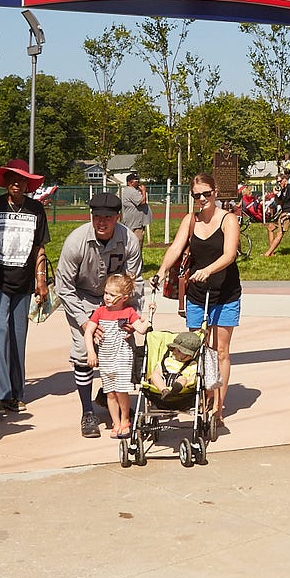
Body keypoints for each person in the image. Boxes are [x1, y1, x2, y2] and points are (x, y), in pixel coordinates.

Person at [155, 173, 241, 428]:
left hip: (225, 292)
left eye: (206, 194)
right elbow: (175, 248)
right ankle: (202, 397)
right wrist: (161, 271)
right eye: (196, 195)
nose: (202, 199)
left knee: (220, 350)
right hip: (196, 293)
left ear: (215, 193)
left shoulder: (228, 219)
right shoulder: (190, 221)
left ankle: (218, 406)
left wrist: (208, 270)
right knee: (196, 349)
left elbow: (230, 255)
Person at [0, 159, 50, 418]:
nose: (17, 183)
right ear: (4, 181)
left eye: (22, 179)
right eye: (12, 178)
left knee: (17, 338)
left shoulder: (36, 209)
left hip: (23, 284)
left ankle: (16, 393)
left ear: (28, 183)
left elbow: (40, 248)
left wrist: (41, 280)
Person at [56, 192, 143, 438]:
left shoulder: (129, 241)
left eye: (107, 217)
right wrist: (85, 322)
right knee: (85, 353)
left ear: (118, 217)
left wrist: (132, 317)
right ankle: (87, 412)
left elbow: (134, 281)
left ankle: (111, 396)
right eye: (96, 217)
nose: (101, 222)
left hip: (116, 298)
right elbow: (64, 287)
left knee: (123, 351)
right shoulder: (76, 242)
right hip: (82, 297)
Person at [83, 273, 148, 439]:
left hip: (123, 357)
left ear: (124, 297)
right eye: (106, 293)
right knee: (110, 392)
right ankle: (115, 422)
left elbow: (141, 329)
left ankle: (125, 419)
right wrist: (91, 351)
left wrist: (148, 317)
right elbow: (89, 331)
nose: (107, 297)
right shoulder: (100, 312)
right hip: (106, 358)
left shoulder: (128, 312)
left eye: (112, 295)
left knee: (121, 391)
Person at [149, 331, 203, 398]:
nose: (174, 351)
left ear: (189, 356)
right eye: (174, 349)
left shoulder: (192, 364)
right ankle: (165, 391)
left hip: (180, 387)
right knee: (154, 375)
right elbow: (158, 370)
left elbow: (193, 377)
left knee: (183, 379)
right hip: (163, 382)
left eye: (178, 351)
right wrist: (157, 373)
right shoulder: (168, 359)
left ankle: (174, 390)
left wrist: (188, 382)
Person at [262, 169, 290, 256]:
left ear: (284, 180)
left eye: (280, 181)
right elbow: (279, 203)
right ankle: (271, 252)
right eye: (277, 182)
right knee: (270, 228)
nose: (279, 183)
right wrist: (275, 194)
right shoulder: (283, 190)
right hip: (283, 212)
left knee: (279, 233)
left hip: (289, 213)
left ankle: (268, 253)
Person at [120, 170, 151, 246]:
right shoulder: (131, 191)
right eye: (136, 181)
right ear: (129, 182)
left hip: (135, 223)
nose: (138, 183)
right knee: (137, 244)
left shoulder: (130, 191)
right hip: (135, 225)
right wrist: (143, 191)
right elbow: (142, 202)